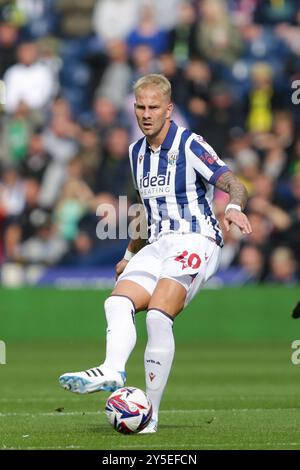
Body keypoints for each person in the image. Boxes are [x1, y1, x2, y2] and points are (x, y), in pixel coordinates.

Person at [59, 74, 252, 433]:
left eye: (153, 108)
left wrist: (234, 207)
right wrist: (130, 254)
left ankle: (150, 416)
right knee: (117, 303)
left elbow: (231, 181)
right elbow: (143, 210)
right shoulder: (135, 153)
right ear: (133, 108)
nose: (146, 114)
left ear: (168, 109)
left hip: (196, 240)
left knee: (157, 318)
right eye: (140, 107)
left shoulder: (190, 144)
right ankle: (113, 368)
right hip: (158, 243)